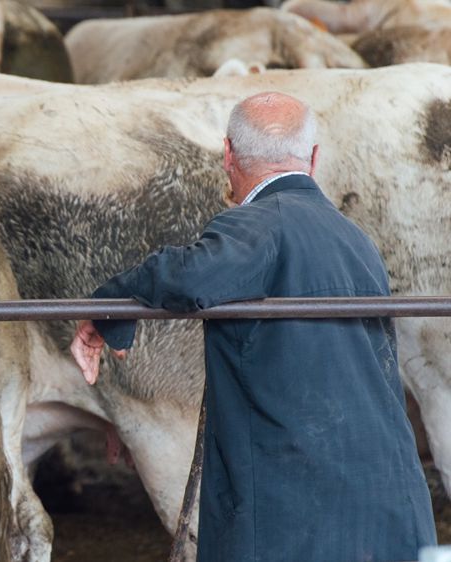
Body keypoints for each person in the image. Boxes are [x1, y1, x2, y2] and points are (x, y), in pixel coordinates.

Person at [70, 92, 437, 561]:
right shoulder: (355, 239)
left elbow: (188, 275)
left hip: (297, 516)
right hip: (389, 502)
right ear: (314, 158)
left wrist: (108, 310)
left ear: (227, 155)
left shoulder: (260, 224)